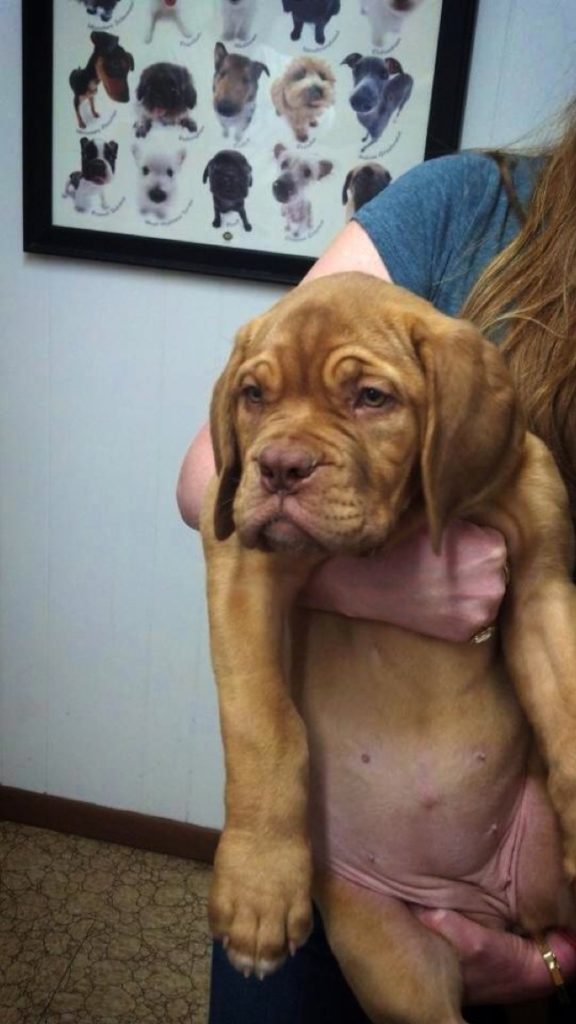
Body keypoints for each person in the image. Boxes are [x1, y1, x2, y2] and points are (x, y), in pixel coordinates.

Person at [177, 100, 576, 1020]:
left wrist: (554, 964)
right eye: (257, 399)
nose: (286, 449)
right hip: (352, 861)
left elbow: (547, 612)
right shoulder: (467, 203)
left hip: (522, 829)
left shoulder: (507, 459)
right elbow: (212, 499)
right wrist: (260, 819)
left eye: (367, 397)